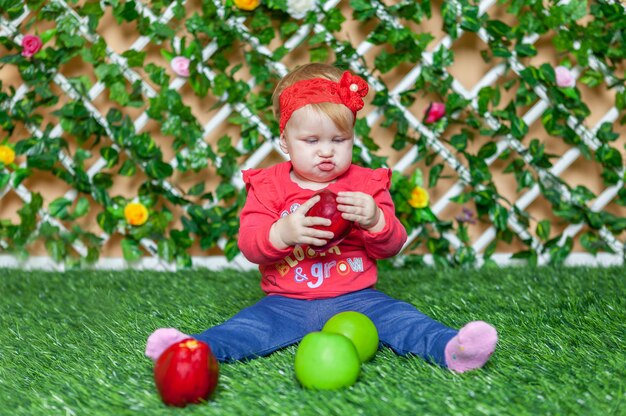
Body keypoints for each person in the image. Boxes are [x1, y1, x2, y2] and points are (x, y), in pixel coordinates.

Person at [145, 63, 497, 373]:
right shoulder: (269, 187)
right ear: (285, 141)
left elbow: (392, 245)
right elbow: (249, 245)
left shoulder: (365, 184)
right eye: (311, 140)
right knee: (245, 328)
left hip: (359, 298)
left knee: (403, 319)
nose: (326, 151)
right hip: (285, 303)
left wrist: (375, 219)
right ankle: (187, 351)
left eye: (339, 139)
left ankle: (452, 348)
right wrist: (282, 233)